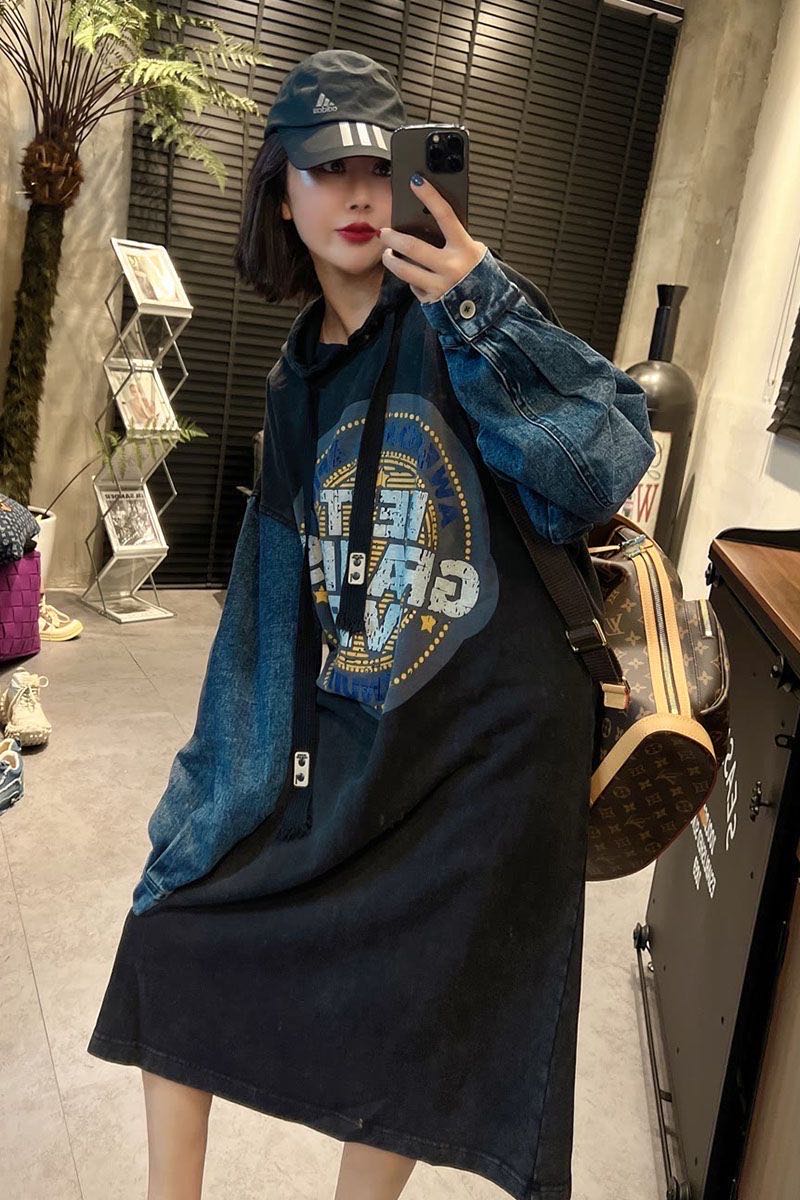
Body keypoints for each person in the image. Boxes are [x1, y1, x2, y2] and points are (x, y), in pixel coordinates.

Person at [87, 48, 656, 1200]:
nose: (354, 194)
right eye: (324, 169)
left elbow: (601, 461)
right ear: (279, 195)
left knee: (413, 1020)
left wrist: (481, 305)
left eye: (374, 167)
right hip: (372, 729)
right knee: (176, 931)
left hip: (489, 757)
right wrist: (209, 797)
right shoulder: (297, 380)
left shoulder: (463, 310)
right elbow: (266, 617)